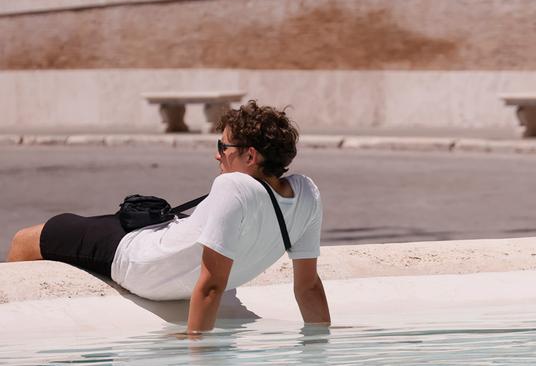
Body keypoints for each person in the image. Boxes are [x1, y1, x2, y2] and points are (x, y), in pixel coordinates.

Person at [5, 101, 330, 335]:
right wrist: (319, 357)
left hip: (136, 258)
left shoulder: (233, 186)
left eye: (223, 146)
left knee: (26, 239)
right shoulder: (305, 193)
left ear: (249, 155)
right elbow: (308, 286)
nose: (217, 154)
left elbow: (211, 286)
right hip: (161, 236)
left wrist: (197, 358)